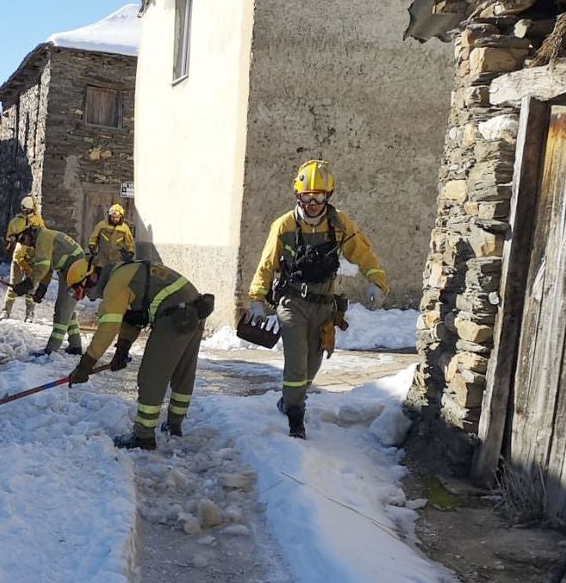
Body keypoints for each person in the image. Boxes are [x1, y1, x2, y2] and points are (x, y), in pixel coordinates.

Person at [244, 160, 388, 439]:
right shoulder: (284, 225)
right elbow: (267, 263)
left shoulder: (339, 224)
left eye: (319, 196)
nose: (313, 203)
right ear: (298, 196)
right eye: (307, 197)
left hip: (324, 306)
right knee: (296, 362)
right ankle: (296, 419)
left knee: (312, 365)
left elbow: (363, 253)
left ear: (328, 195)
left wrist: (377, 282)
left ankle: (289, 399)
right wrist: (257, 299)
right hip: (292, 303)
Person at [67, 257, 213, 450]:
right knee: (183, 370)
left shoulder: (115, 284)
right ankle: (174, 425)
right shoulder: (123, 272)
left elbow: (108, 328)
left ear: (90, 278)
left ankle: (143, 437)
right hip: (194, 307)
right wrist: (122, 349)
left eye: (81, 290)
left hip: (176, 314)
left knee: (151, 375)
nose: (87, 296)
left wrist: (86, 365)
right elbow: (133, 315)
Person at [12, 217, 86, 356]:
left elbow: (42, 266)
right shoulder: (43, 236)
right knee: (67, 308)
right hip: (71, 270)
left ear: (28, 232)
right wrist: (42, 289)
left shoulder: (42, 238)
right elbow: (48, 267)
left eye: (22, 239)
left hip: (75, 271)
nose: (24, 244)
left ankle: (51, 350)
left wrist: (28, 283)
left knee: (62, 309)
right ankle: (75, 346)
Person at [87, 203, 136, 270]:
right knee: (101, 278)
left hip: (117, 260)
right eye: (113, 217)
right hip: (102, 260)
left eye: (117, 218)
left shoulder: (124, 228)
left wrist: (130, 252)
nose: (115, 219)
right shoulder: (101, 225)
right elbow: (94, 237)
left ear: (121, 217)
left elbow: (129, 241)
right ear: (109, 216)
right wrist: (92, 245)